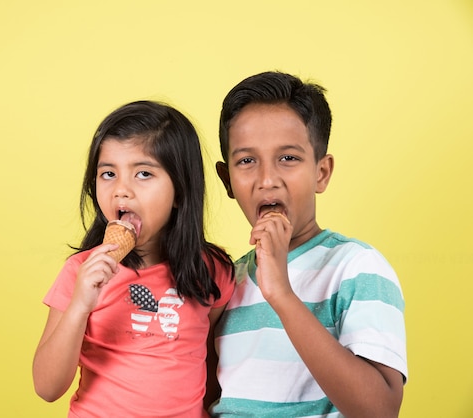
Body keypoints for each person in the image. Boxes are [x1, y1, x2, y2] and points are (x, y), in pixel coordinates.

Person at [208, 71, 407, 417]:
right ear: (227, 179)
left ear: (321, 172)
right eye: (246, 161)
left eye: (288, 158)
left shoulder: (357, 267)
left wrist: (281, 294)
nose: (267, 180)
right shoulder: (226, 281)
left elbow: (380, 410)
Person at [33, 100, 235, 417]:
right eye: (108, 173)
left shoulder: (212, 271)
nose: (121, 190)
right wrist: (80, 306)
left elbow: (213, 365)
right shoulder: (80, 272)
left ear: (180, 191)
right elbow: (47, 387)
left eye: (143, 173)